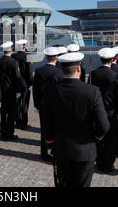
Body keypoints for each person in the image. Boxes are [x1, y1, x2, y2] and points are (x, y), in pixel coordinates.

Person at [44, 52, 110, 187]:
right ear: (79, 69)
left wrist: (50, 143)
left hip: (61, 149)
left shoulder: (51, 91)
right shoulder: (92, 91)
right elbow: (103, 125)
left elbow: (47, 122)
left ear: (61, 70)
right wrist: (96, 138)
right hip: (85, 150)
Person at [89, 47, 118, 174]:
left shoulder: (93, 74)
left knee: (98, 138)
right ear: (112, 59)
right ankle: (108, 165)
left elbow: (90, 93)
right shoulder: (115, 75)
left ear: (100, 59)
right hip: (111, 112)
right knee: (111, 139)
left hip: (96, 111)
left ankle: (99, 162)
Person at [33, 47, 62, 161]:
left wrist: (36, 105)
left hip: (43, 105)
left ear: (46, 57)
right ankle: (55, 152)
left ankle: (44, 153)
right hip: (56, 105)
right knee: (56, 129)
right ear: (56, 58)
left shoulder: (39, 71)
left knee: (44, 130)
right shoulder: (59, 72)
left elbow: (35, 90)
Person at [0, 41, 27, 141]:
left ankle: (2, 132)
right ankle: (10, 133)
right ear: (11, 50)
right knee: (12, 113)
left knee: (3, 113)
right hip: (11, 91)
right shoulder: (15, 61)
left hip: (1, 91)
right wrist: (22, 87)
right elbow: (19, 76)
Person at [12, 39, 33, 130]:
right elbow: (29, 72)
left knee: (16, 103)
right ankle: (24, 123)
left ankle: (17, 121)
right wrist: (31, 83)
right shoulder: (28, 56)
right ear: (24, 47)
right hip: (25, 85)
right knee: (24, 104)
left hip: (16, 84)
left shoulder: (13, 56)